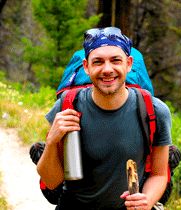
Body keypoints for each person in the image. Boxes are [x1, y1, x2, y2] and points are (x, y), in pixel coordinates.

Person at [37, 26, 172, 210]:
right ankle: (39, 151)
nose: (107, 69)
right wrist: (52, 142)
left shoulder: (154, 111)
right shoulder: (68, 106)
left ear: (129, 63)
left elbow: (159, 174)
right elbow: (52, 182)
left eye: (115, 60)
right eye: (98, 62)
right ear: (86, 67)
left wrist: (147, 200)